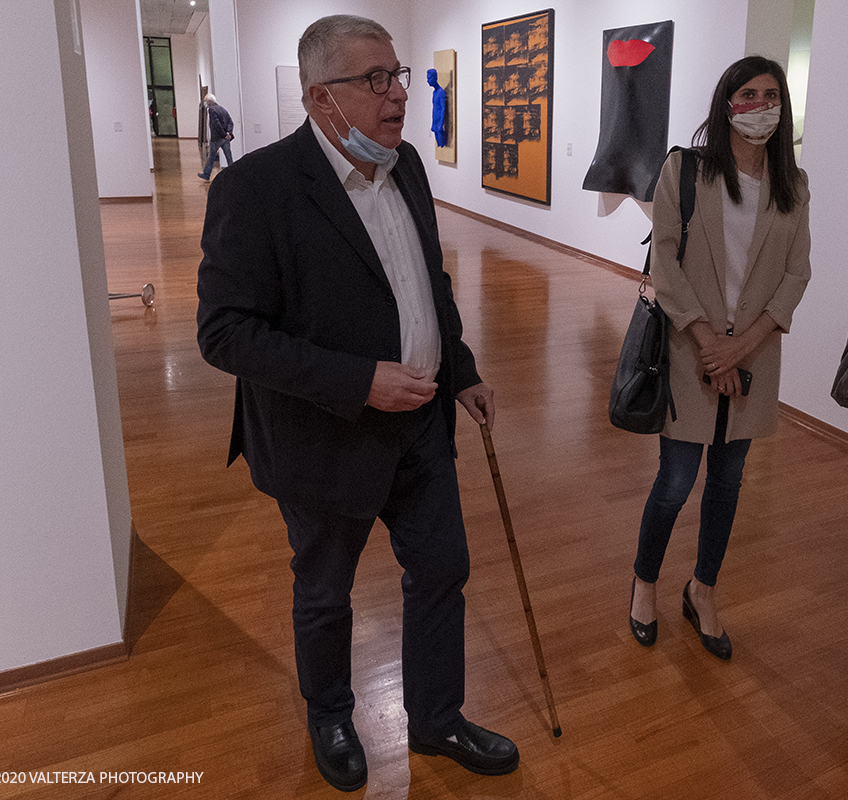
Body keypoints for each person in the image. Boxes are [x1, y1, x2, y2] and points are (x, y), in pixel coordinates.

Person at [196, 15, 518, 792]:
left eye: (398, 74)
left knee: (443, 571)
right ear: (320, 97)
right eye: (374, 79)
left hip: (423, 425)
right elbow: (224, 333)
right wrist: (357, 380)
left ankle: (437, 720)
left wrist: (463, 366)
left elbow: (427, 286)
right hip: (323, 437)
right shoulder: (256, 188)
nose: (397, 94)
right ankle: (332, 714)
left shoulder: (405, 167)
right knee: (325, 592)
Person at [628, 56, 811, 660]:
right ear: (727, 102)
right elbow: (667, 259)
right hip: (691, 350)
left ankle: (703, 588)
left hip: (752, 356)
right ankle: (645, 582)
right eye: (748, 94)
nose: (761, 105)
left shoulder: (794, 184)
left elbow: (795, 274)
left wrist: (742, 345)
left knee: (728, 483)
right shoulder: (686, 169)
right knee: (676, 482)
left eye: (771, 95)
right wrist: (712, 343)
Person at [198, 94, 234, 180]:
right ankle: (234, 173)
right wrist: (228, 133)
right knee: (229, 157)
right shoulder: (222, 109)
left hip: (217, 138)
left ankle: (206, 174)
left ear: (208, 101)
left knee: (211, 157)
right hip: (225, 139)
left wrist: (223, 134)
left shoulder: (211, 110)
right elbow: (230, 122)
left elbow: (216, 124)